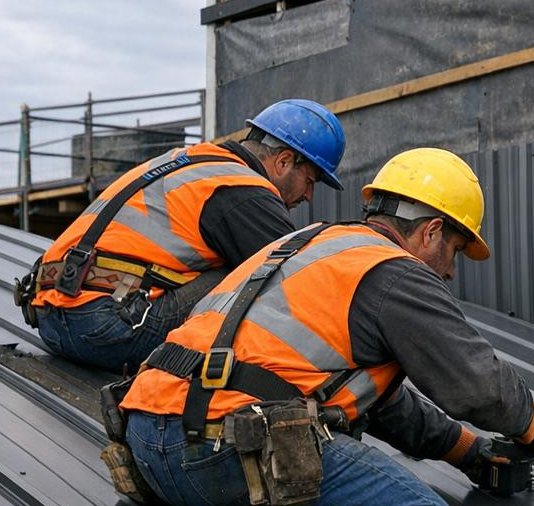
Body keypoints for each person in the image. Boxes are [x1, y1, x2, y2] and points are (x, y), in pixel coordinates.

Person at [116, 147, 534, 506]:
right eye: (455, 251)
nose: (450, 272)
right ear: (432, 230)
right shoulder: (396, 273)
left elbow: (382, 402)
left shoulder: (306, 244)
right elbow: (479, 386)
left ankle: (169, 487)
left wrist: (468, 453)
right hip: (224, 454)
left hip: (146, 433)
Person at [19, 99, 345, 373]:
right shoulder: (244, 190)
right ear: (283, 161)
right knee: (261, 274)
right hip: (105, 331)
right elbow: (302, 287)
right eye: (311, 181)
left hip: (49, 317)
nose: (308, 197)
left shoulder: (183, 161)